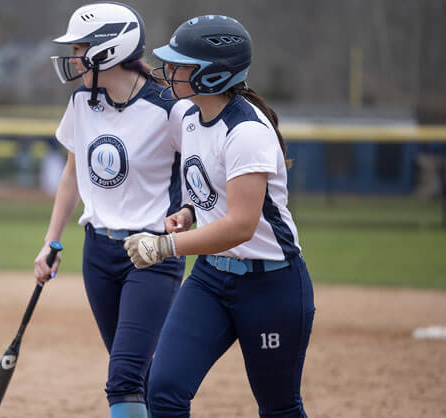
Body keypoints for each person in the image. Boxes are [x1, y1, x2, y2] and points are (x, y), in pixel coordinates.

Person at [124, 15, 315, 418]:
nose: (169, 71)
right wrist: (191, 210)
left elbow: (241, 226)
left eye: (180, 64)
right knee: (164, 389)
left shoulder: (246, 131)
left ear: (213, 75)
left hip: (270, 285)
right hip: (211, 279)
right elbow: (214, 186)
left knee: (278, 406)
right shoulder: (190, 116)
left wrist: (164, 245)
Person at [33, 3, 191, 418]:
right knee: (139, 376)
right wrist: (52, 241)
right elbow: (71, 173)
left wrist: (189, 213)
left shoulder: (168, 107)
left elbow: (200, 170)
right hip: (97, 253)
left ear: (108, 51)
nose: (72, 58)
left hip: (152, 255)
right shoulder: (82, 101)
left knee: (122, 378)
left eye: (80, 47)